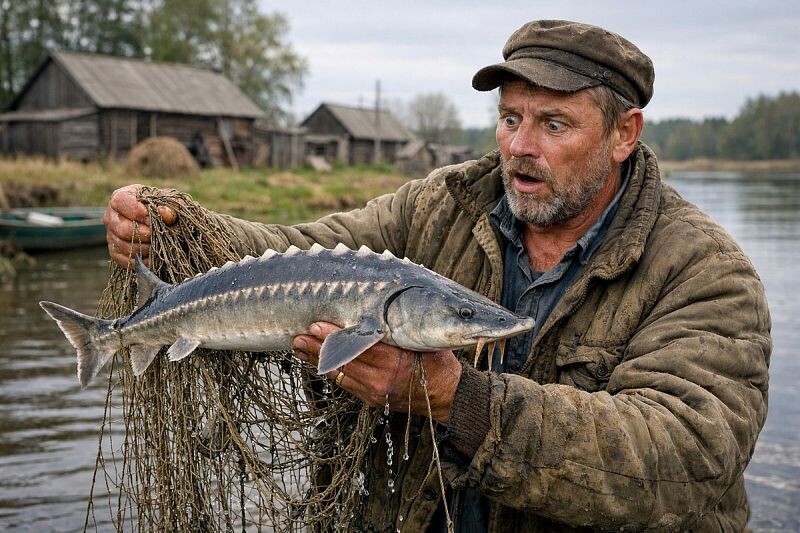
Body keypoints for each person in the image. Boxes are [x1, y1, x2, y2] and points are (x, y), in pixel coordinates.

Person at [104, 20, 771, 532]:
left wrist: (460, 400)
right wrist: (178, 230)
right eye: (510, 118)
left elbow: (681, 458)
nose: (519, 146)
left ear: (624, 133)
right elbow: (303, 251)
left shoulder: (704, 272)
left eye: (554, 124)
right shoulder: (443, 205)